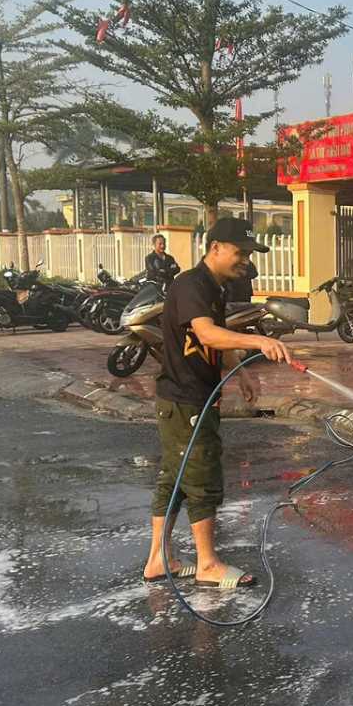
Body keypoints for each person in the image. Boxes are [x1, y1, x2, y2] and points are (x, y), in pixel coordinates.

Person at [142, 217, 293, 589]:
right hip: (185, 400)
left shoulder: (215, 288)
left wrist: (239, 372)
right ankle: (208, 563)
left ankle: (158, 560)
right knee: (202, 478)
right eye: (240, 252)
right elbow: (207, 331)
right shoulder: (191, 284)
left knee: (175, 480)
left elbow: (211, 340)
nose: (245, 260)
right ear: (216, 248)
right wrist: (259, 344)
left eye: (247, 253)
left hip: (192, 397)